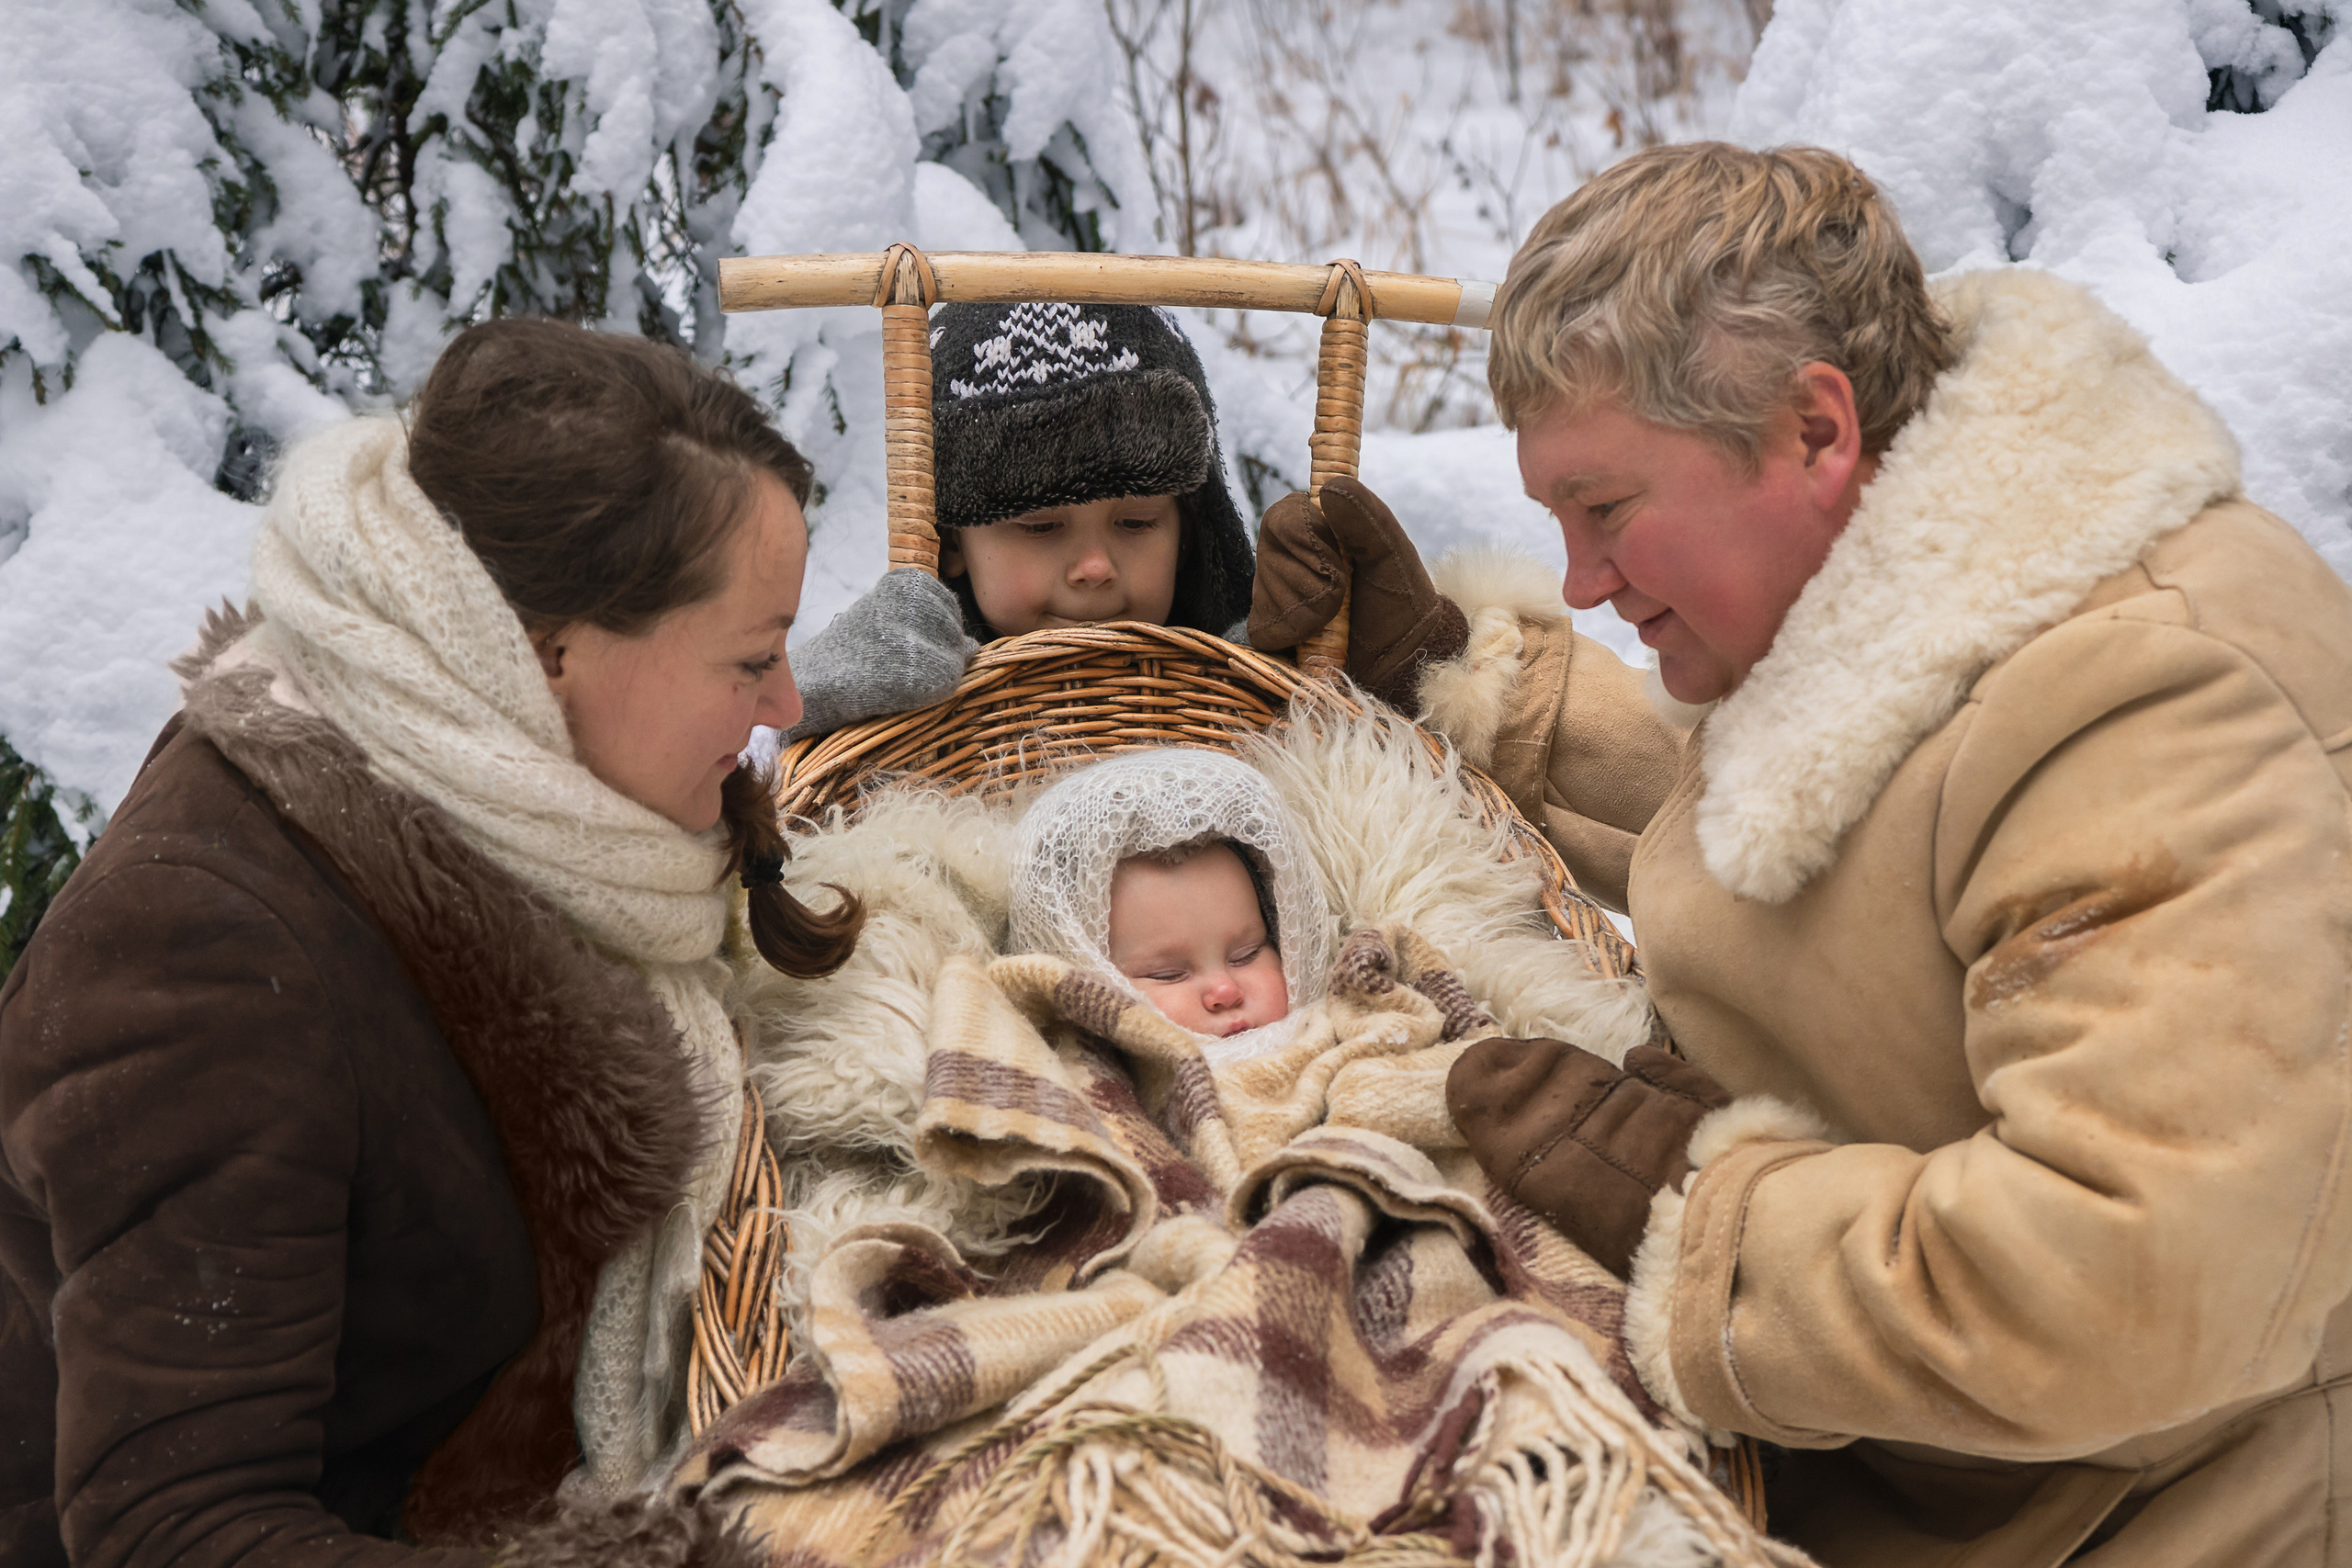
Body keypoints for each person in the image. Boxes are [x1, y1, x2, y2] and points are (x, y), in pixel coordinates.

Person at [1253, 141, 2352, 1565]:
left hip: (2128, 1513)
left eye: (1607, 510)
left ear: (1816, 430)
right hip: (1916, 1475)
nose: (1583, 580)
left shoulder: (2156, 699)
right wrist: (1479, 693)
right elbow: (1860, 836)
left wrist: (1700, 1222)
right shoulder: (1919, 570)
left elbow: (2141, 1279)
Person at [0, 319, 859, 1566]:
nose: (786, 704)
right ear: (549, 651)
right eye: (751, 658)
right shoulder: (208, 956)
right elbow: (173, 1530)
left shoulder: (535, 818)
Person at [782, 301, 1258, 739]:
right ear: (949, 541)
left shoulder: (1231, 694)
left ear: (1188, 536)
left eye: (1135, 522)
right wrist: (836, 684)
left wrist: (1290, 652)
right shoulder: (907, 685)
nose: (1094, 567)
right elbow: (757, 746)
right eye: (1040, 526)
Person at [1008, 748, 1330, 1066]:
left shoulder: (1337, 1035)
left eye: (1246, 954)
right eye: (1168, 975)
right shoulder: (1080, 1081)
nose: (1225, 991)